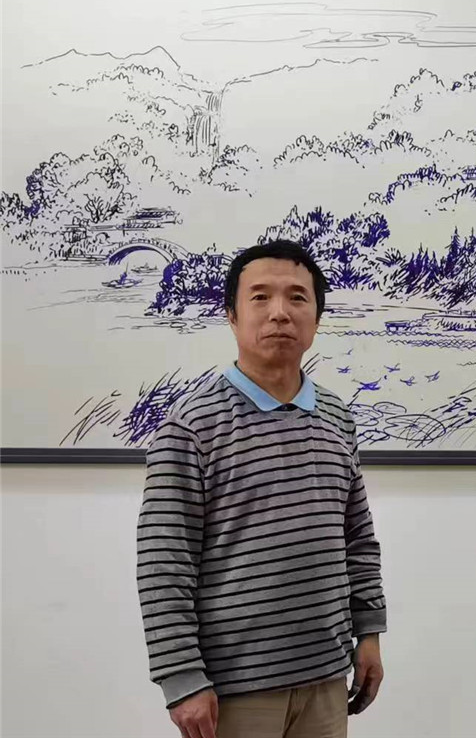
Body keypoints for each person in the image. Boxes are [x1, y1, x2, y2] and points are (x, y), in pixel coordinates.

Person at [136, 239, 386, 738]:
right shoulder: (192, 425)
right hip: (232, 689)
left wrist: (369, 631)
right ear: (231, 315)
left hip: (326, 676)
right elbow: (164, 560)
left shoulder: (337, 416)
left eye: (297, 297)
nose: (279, 312)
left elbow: (358, 538)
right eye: (260, 297)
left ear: (317, 317)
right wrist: (181, 680)